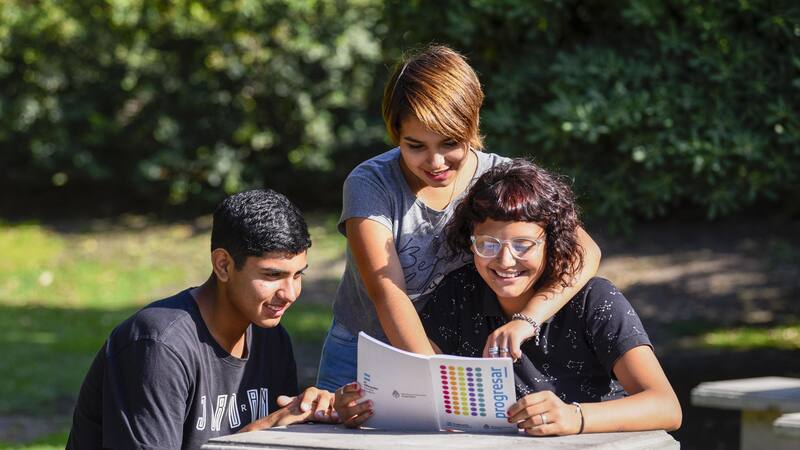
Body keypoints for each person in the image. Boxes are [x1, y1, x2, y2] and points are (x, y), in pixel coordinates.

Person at [316, 45, 602, 391]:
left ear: (472, 125)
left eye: (449, 143)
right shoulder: (370, 183)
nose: (435, 162)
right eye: (415, 145)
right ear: (396, 134)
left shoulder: (499, 177)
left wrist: (530, 319)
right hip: (366, 350)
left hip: (457, 350)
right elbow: (388, 293)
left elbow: (585, 252)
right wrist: (437, 385)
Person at [335, 159, 682, 435]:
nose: (504, 261)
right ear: (469, 241)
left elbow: (667, 407)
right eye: (488, 245)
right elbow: (426, 396)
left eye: (523, 245)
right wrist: (367, 407)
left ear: (553, 241)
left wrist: (573, 417)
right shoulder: (458, 294)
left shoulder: (595, 300)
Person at [67, 189, 338, 450]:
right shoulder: (158, 346)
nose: (289, 294)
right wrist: (251, 438)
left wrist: (318, 415)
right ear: (223, 265)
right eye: (272, 275)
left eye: (298, 274)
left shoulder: (271, 337)